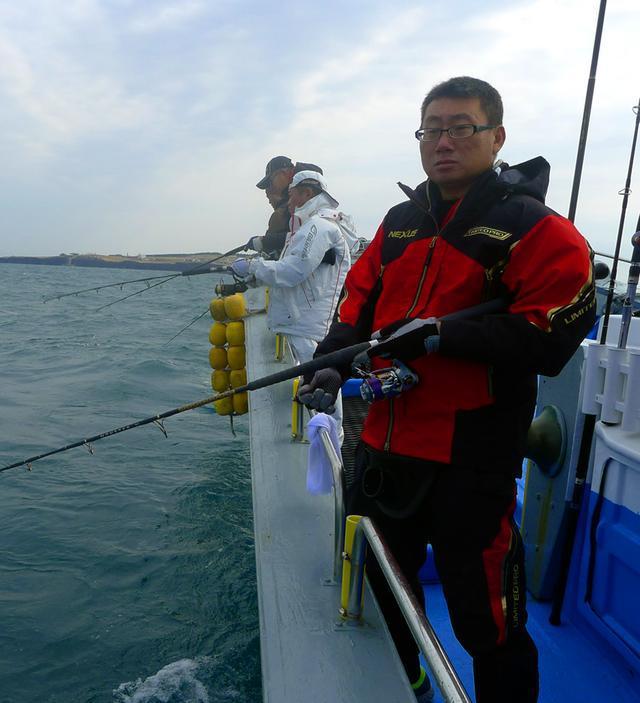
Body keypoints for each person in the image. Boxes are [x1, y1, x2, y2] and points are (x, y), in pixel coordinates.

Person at [298, 76, 595, 703]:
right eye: (431, 129)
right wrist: (329, 362)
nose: (443, 142)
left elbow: (551, 335)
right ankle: (410, 687)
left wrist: (442, 338)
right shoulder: (400, 222)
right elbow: (358, 300)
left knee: (487, 622)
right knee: (386, 591)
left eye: (461, 128)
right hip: (383, 447)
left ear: (497, 137)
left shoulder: (538, 229)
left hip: (472, 462)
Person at [247, 156, 324, 258]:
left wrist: (265, 241)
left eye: (270, 182)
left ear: (282, 174)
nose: (268, 189)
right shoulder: (313, 185)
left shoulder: (284, 212)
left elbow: (305, 237)